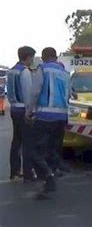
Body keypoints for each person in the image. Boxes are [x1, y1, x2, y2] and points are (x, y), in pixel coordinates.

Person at [29, 47, 70, 198]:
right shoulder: (65, 73)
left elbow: (35, 92)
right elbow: (69, 94)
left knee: (35, 151)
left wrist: (29, 111)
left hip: (45, 116)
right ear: (56, 56)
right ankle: (49, 183)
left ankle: (48, 176)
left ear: (44, 57)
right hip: (61, 117)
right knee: (53, 151)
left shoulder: (43, 69)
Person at [6, 46, 36, 182]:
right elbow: (28, 93)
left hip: (13, 108)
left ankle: (14, 171)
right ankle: (28, 174)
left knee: (16, 141)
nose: (32, 61)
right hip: (23, 109)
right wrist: (30, 112)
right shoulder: (24, 72)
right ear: (28, 57)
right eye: (32, 58)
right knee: (28, 142)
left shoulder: (12, 71)